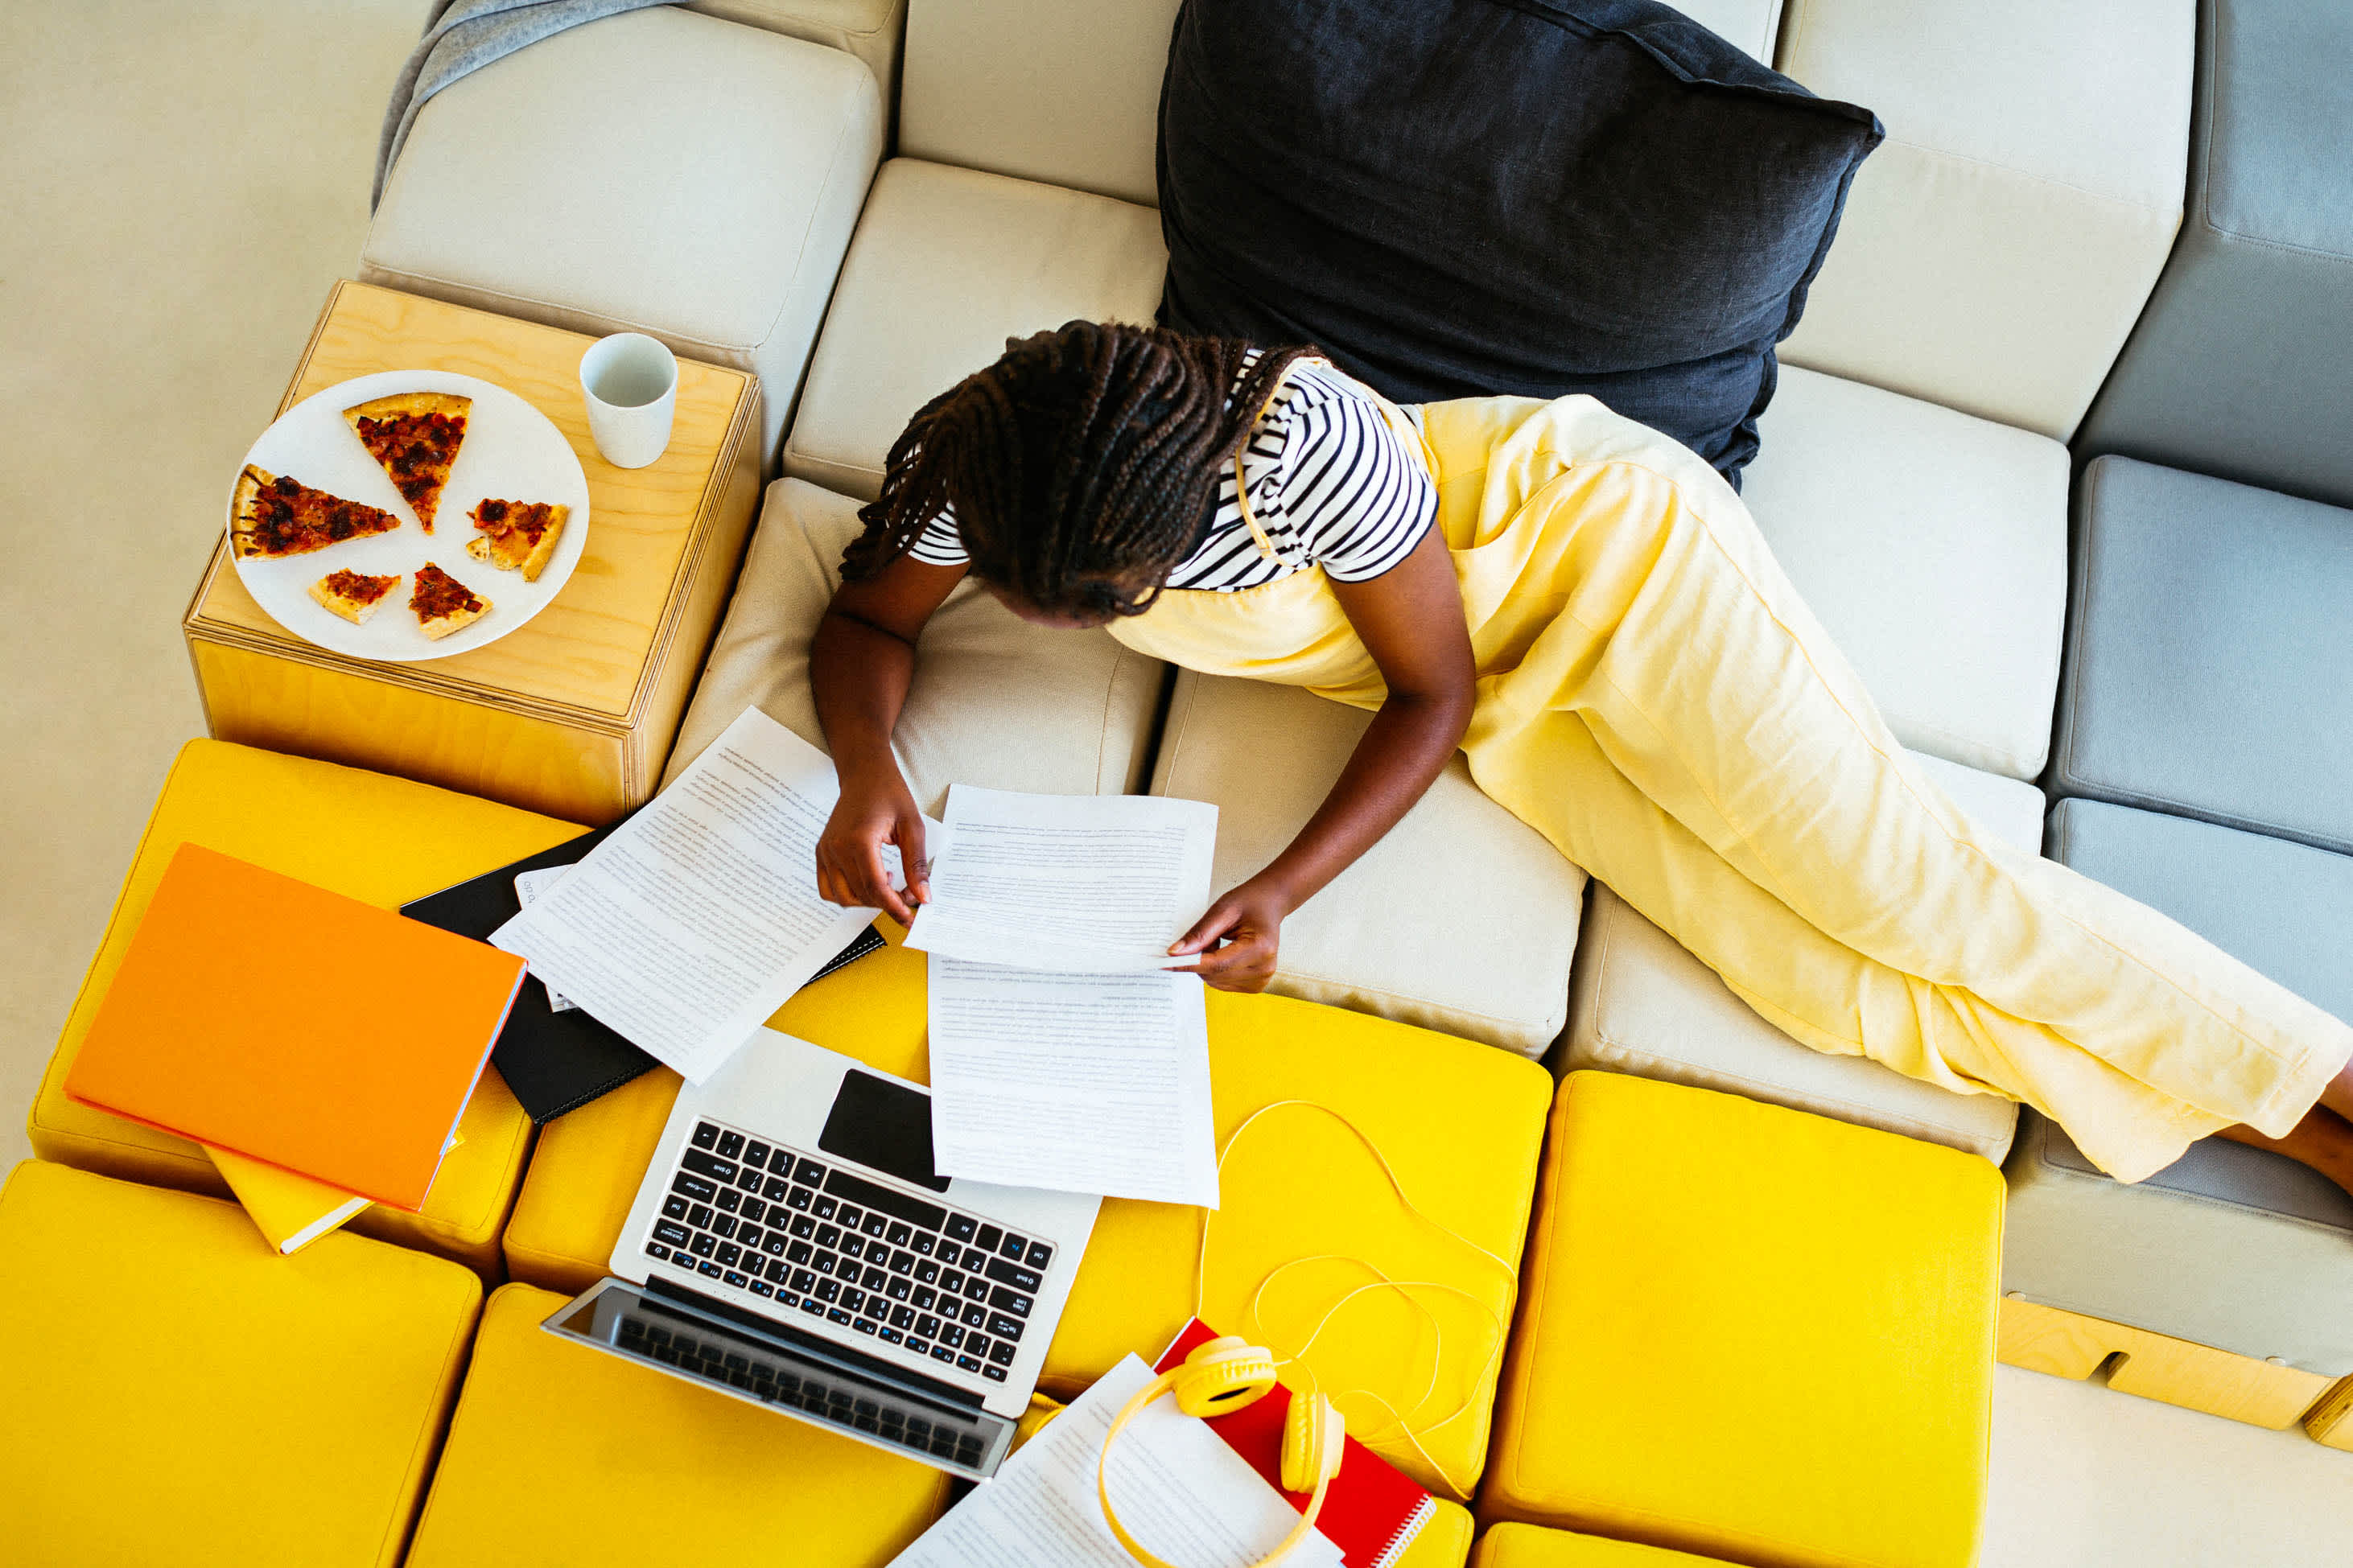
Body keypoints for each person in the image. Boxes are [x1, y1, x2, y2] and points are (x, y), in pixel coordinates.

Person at [806, 320, 2353, 1191]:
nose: (1069, 629)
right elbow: (867, 625)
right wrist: (867, 764)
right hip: (1507, 701)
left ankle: (2329, 1071)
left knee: (1916, 901)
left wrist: (1283, 888)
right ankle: (2268, 1108)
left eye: (1113, 607)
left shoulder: (1302, 448)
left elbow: (1429, 688)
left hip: (1612, 573)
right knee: (1808, 978)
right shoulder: (992, 479)